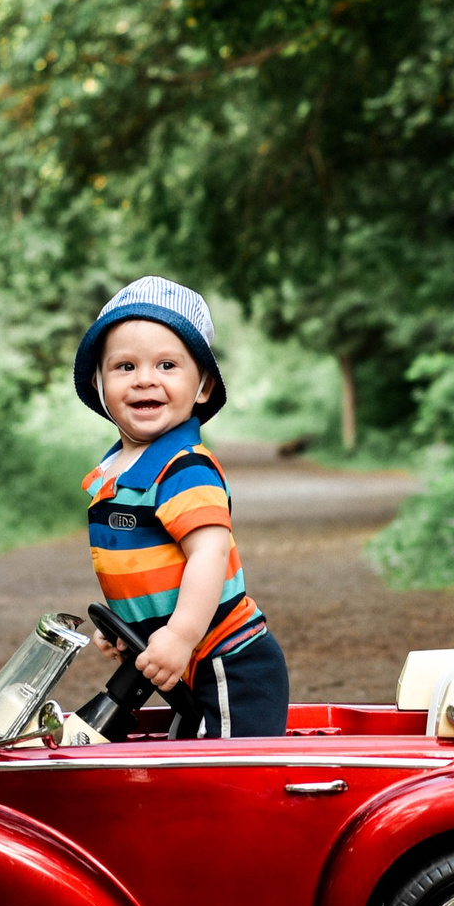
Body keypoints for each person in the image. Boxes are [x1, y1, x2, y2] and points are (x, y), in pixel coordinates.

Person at [71, 276, 290, 738]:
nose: (145, 378)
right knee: (181, 765)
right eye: (124, 366)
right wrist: (128, 628)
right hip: (181, 660)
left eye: (167, 364)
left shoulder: (184, 468)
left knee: (225, 775)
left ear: (204, 385)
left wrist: (181, 635)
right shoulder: (114, 470)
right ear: (99, 382)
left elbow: (208, 555)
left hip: (227, 661)